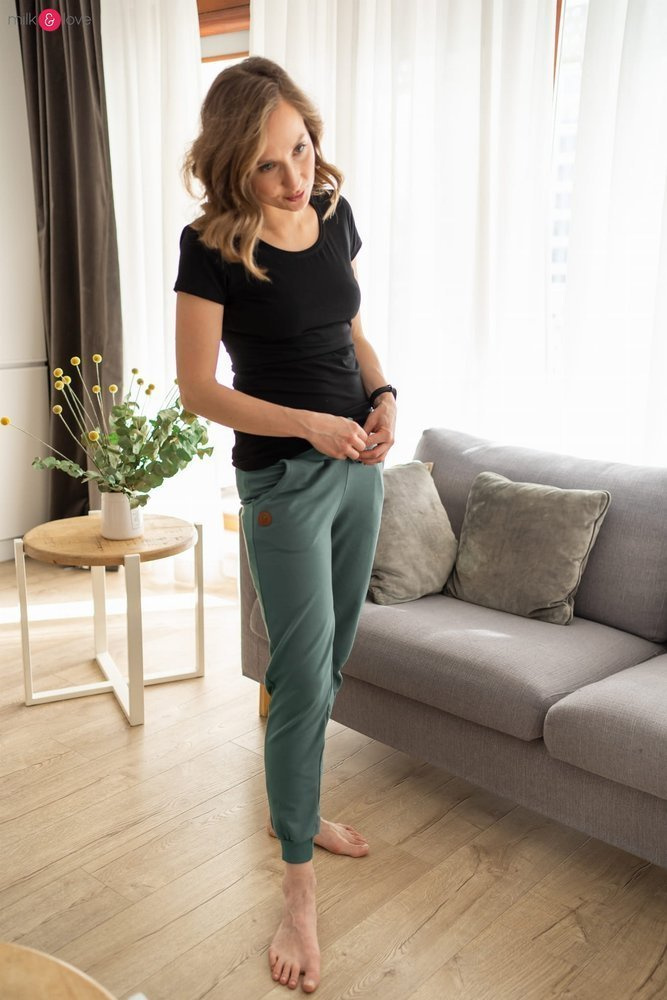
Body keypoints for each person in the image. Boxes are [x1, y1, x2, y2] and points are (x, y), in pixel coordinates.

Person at [173, 56, 396, 994]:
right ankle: (297, 889)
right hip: (282, 482)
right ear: (234, 167)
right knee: (301, 677)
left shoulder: (333, 214)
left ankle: (289, 812)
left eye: (300, 149)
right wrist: (306, 422)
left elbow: (350, 333)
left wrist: (383, 394)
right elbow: (197, 389)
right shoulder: (210, 245)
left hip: (358, 471)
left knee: (329, 660)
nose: (293, 176)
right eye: (267, 165)